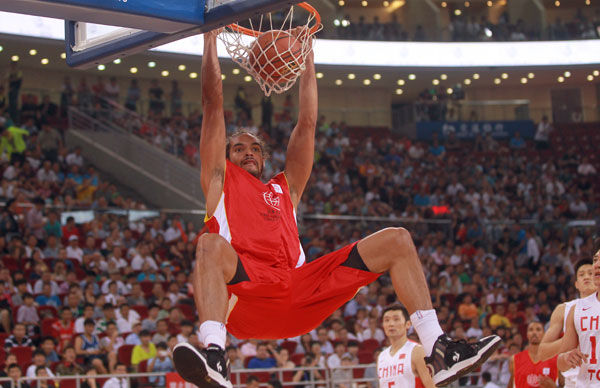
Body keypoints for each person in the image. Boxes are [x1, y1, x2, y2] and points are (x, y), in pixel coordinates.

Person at [172, 28, 500, 388]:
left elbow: (307, 124)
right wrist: (209, 40)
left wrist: (307, 56)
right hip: (248, 297)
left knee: (398, 240)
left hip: (298, 292)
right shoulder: (219, 182)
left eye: (254, 148)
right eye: (238, 148)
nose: (247, 151)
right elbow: (212, 103)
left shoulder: (285, 189)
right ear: (226, 156)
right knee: (208, 244)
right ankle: (216, 355)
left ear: (264, 159)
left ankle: (439, 348)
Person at [539, 258, 594, 388]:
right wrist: (571, 338)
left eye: (590, 273)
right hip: (573, 382)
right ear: (576, 284)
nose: (586, 277)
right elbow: (542, 352)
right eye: (581, 274)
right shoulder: (564, 309)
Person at [557, 248, 600, 386]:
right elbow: (561, 363)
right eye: (595, 260)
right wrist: (567, 358)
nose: (597, 264)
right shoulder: (578, 309)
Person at [377, 305, 435, 388]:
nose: (391, 324)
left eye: (396, 319)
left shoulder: (416, 351)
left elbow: (431, 385)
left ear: (408, 324)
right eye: (387, 320)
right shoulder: (381, 356)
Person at [508, 322, 560, 388]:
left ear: (544, 334)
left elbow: (564, 385)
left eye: (538, 329)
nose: (534, 332)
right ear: (527, 334)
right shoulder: (514, 359)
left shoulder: (555, 359)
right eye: (531, 330)